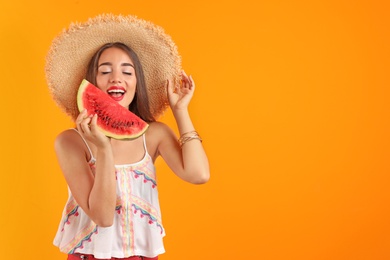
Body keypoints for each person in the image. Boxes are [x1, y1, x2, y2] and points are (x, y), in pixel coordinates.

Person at [45, 14, 210, 260]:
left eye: (127, 71)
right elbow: (102, 216)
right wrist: (103, 149)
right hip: (88, 255)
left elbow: (199, 175)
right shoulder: (70, 141)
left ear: (136, 82)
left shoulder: (154, 134)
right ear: (92, 82)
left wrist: (180, 111)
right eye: (105, 71)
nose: (116, 78)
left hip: (141, 255)